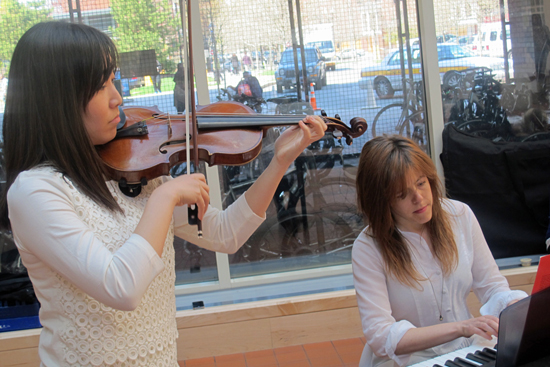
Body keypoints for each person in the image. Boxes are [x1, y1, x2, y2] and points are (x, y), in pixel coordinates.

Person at [0, 21, 327, 367]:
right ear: (57, 100)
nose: (118, 99)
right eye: (100, 86)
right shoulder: (36, 192)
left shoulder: (130, 170)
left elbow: (225, 234)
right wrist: (163, 197)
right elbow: (119, 286)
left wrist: (279, 161)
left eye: (113, 80)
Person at [352, 135, 527, 367]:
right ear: (382, 201)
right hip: (405, 360)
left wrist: (513, 306)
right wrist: (460, 328)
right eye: (402, 194)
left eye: (421, 183)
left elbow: (492, 286)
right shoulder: (368, 247)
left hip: (467, 349)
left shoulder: (460, 215)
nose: (419, 198)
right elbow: (381, 336)